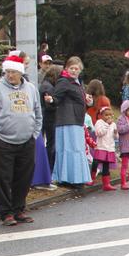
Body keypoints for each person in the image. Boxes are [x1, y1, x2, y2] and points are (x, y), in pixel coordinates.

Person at [0, 52, 43, 226]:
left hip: (26, 141)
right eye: (7, 72)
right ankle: (6, 213)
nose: (10, 75)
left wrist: (35, 133)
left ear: (20, 73)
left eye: (14, 72)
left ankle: (19, 209)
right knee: (3, 178)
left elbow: (38, 112)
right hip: (3, 141)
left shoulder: (31, 89)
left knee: (23, 177)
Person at [52, 56, 91, 187]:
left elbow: (79, 101)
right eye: (72, 68)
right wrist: (51, 100)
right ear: (66, 68)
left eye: (77, 69)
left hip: (76, 119)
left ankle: (74, 178)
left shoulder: (77, 82)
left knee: (76, 149)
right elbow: (56, 98)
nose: (74, 71)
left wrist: (89, 102)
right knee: (70, 149)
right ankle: (69, 179)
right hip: (67, 120)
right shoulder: (64, 81)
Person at [92, 106, 118, 191]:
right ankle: (91, 179)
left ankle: (106, 183)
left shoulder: (113, 124)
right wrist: (107, 124)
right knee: (96, 162)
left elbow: (115, 137)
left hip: (109, 148)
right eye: (106, 115)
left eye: (110, 115)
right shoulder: (99, 122)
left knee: (106, 165)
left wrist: (115, 133)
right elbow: (99, 133)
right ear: (101, 115)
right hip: (101, 147)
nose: (109, 117)